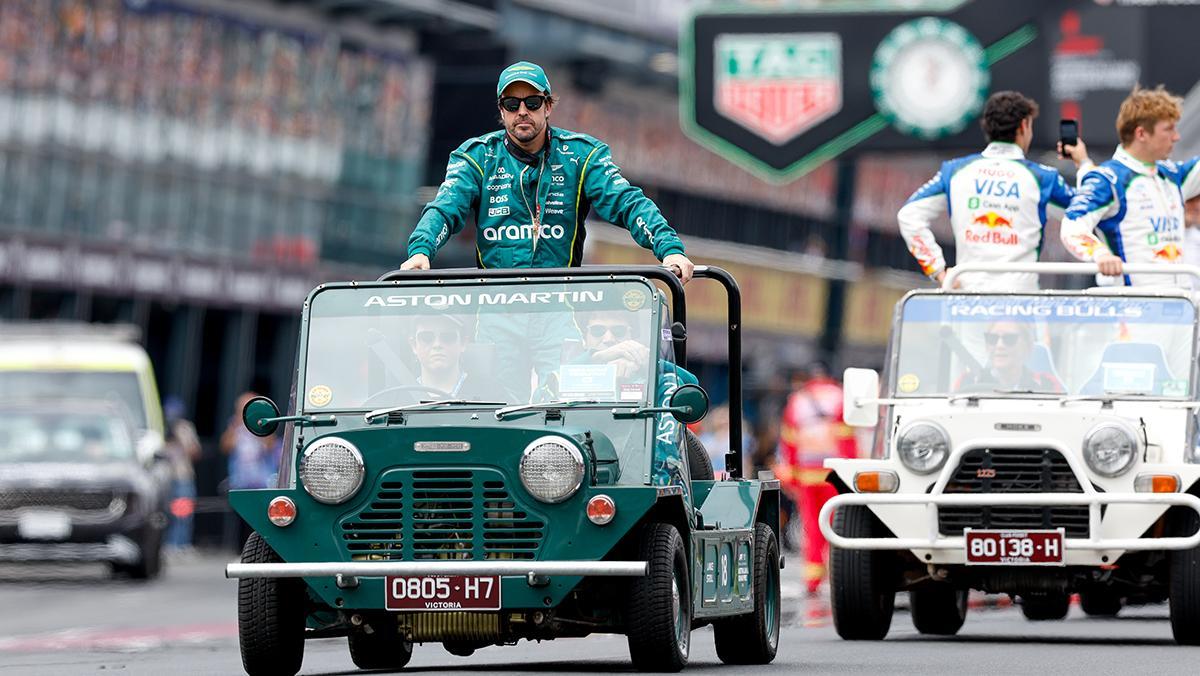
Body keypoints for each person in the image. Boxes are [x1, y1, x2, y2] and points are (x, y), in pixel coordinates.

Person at [400, 60, 694, 283]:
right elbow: (444, 208)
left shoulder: (582, 155)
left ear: (548, 107)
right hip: (493, 313)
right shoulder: (476, 157)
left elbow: (628, 202)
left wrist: (669, 249)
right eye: (512, 104)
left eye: (533, 102)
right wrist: (420, 252)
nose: (522, 111)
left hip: (559, 311)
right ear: (502, 112)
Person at [898, 91, 1092, 291]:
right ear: (1024, 125)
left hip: (966, 299)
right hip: (1019, 301)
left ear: (987, 126)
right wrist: (1083, 163)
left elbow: (908, 216)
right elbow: (1092, 209)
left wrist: (938, 270)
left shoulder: (955, 171)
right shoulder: (1043, 178)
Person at [1061, 85, 1200, 286]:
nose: (1176, 137)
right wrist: (1099, 253)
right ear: (1141, 134)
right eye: (1169, 129)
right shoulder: (1109, 179)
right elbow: (1072, 226)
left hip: (1179, 305)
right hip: (1132, 309)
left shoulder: (1173, 175)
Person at [776, 363, 859, 595]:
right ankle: (840, 576)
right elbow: (848, 438)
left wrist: (791, 476)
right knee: (839, 524)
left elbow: (789, 442)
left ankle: (812, 580)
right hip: (835, 474)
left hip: (807, 475)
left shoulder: (798, 401)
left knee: (813, 526)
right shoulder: (839, 397)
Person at [955, 321, 1064, 393]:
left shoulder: (1047, 384)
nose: (999, 345)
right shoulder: (967, 382)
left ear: (1027, 346)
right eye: (992, 338)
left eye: (1009, 339)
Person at [408, 314, 499, 400]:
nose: (437, 344)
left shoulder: (492, 393)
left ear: (463, 343)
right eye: (426, 337)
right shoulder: (399, 396)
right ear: (414, 345)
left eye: (448, 337)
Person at [162, 396, 202, 554]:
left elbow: (195, 452)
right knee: (165, 513)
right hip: (165, 477)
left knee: (183, 512)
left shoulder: (185, 428)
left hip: (183, 476)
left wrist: (181, 439)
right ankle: (167, 544)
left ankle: (181, 543)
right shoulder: (160, 426)